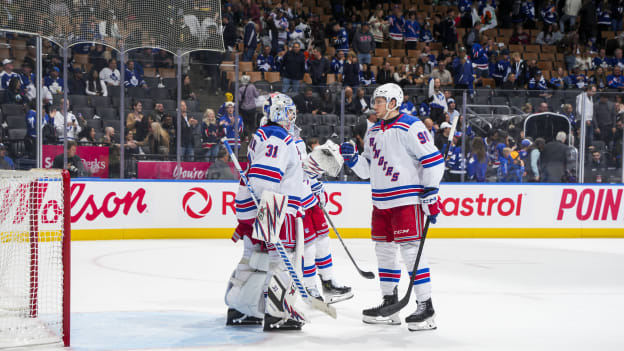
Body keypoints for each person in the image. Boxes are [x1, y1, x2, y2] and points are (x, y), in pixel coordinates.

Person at [340, 83, 444, 331]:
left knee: (410, 251)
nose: (374, 105)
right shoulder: (373, 131)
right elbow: (368, 171)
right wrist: (353, 160)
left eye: (379, 101)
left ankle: (425, 307)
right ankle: (390, 303)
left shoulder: (411, 126)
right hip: (380, 202)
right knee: (383, 251)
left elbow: (433, 160)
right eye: (375, 101)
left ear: (393, 103)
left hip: (406, 201)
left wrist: (430, 191)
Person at [225, 93, 306, 331]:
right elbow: (265, 177)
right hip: (272, 205)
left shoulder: (266, 133)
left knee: (254, 257)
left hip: (253, 205)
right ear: (279, 112)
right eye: (289, 112)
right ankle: (278, 313)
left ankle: (242, 308)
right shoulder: (277, 136)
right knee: (282, 259)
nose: (292, 117)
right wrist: (267, 214)